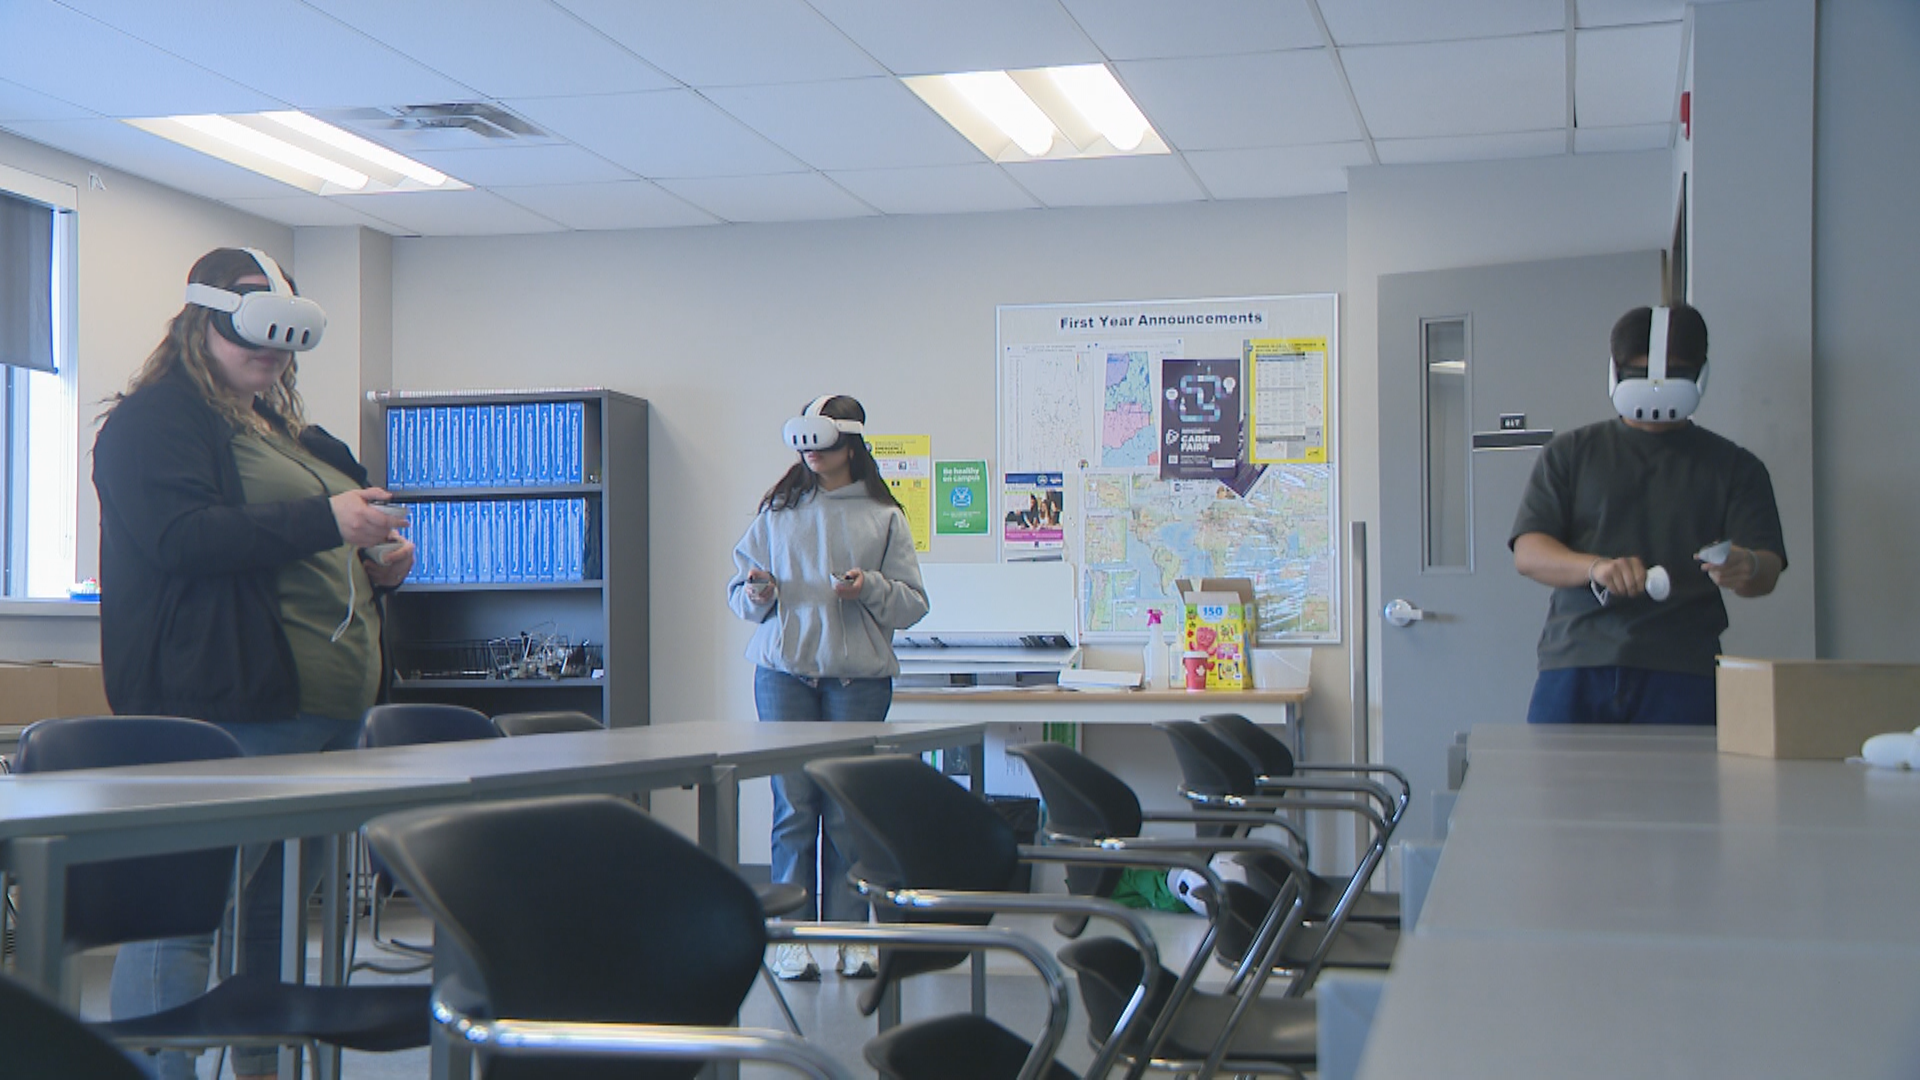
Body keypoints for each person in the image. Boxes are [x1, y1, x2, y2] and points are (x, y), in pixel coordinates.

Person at [91, 247, 414, 1080]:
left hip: (321, 707)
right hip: (223, 705)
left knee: (274, 915)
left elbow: (337, 520)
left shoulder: (290, 432)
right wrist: (325, 522)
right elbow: (179, 540)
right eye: (253, 337)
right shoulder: (153, 423)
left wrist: (379, 560)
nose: (270, 357)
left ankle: (262, 1069)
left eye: (284, 342)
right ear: (202, 324)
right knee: (184, 914)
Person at [727, 394, 928, 981]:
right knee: (794, 807)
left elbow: (914, 604)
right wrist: (759, 593)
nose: (813, 455)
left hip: (856, 680)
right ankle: (789, 936)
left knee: (846, 812)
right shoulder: (777, 511)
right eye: (805, 444)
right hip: (785, 675)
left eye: (826, 444)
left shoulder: (883, 515)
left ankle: (848, 934)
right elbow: (740, 593)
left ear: (851, 445)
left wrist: (868, 587)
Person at [1510, 303, 1785, 725]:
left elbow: (1765, 570)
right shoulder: (1571, 453)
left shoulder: (1735, 467)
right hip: (1578, 662)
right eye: (1640, 375)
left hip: (1684, 670)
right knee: (1562, 791)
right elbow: (1529, 551)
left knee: (1684, 792)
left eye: (1674, 374)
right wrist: (1596, 568)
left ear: (1699, 373)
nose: (1656, 388)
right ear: (1615, 373)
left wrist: (1744, 566)